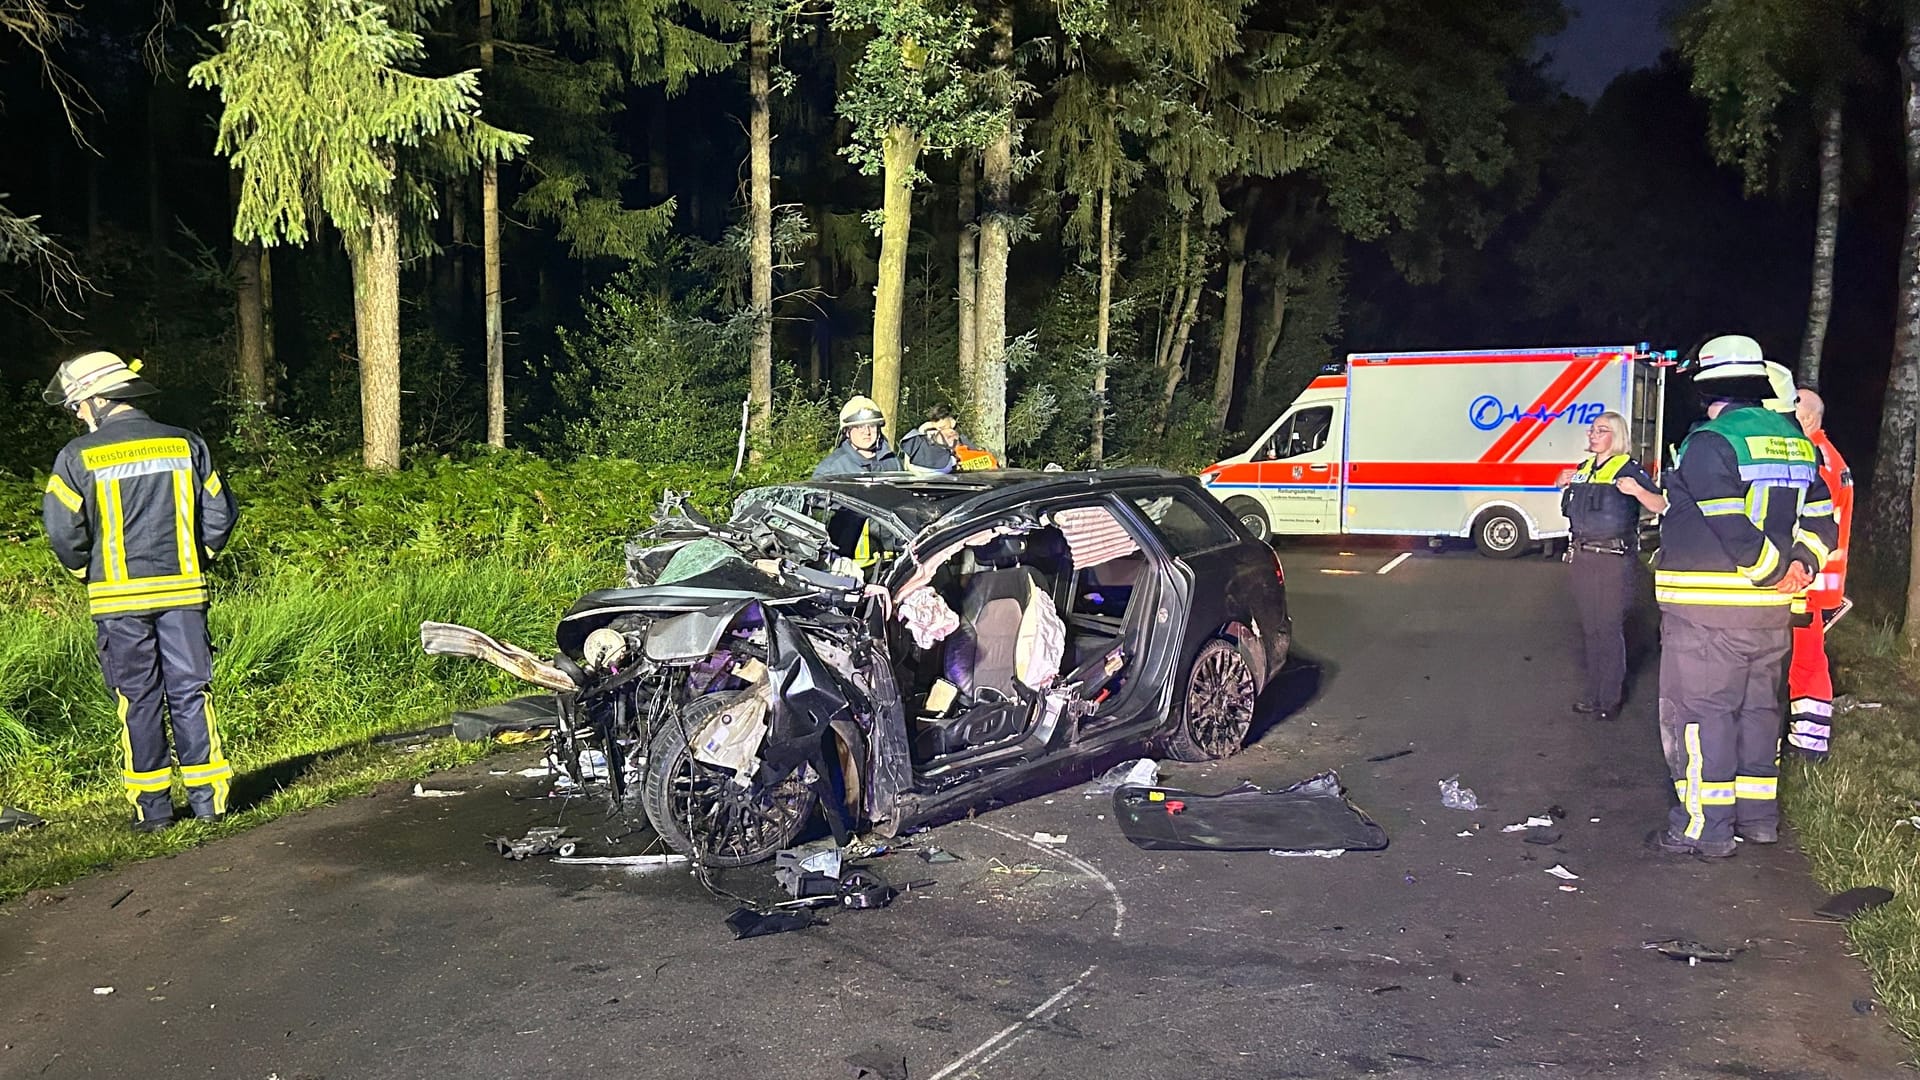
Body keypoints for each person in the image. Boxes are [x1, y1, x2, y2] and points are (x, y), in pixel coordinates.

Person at [1648, 336, 1834, 857]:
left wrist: (1773, 571)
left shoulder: (1710, 441)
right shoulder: (1796, 441)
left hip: (1708, 615)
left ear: (1707, 387)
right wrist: (1802, 567)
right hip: (1770, 619)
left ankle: (1703, 830)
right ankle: (1758, 818)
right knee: (1758, 714)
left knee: (1700, 714)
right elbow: (1823, 519)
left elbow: (1729, 522)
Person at [40, 351, 238, 832]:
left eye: (78, 406)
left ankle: (154, 812)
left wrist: (85, 572)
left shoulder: (76, 457)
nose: (78, 415)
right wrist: (199, 557)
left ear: (99, 398)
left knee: (138, 699)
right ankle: (209, 803)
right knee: (192, 692)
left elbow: (64, 533)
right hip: (184, 593)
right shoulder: (185, 444)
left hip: (118, 601)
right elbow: (220, 515)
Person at [1559, 411, 1664, 721]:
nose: (1593, 434)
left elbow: (1661, 505)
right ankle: (1594, 695)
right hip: (1583, 556)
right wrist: (1561, 484)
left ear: (1616, 436)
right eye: (1592, 429)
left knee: (1607, 628)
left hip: (1613, 559)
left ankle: (1610, 699)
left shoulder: (1629, 470)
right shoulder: (1583, 470)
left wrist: (1638, 491)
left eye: (1601, 430)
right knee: (1591, 630)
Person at [1784, 388, 1852, 760]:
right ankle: (1807, 738)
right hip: (1818, 579)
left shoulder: (1817, 461)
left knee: (1806, 663)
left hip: (1808, 580)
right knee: (1806, 659)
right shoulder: (1828, 455)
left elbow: (1808, 519)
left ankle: (1809, 744)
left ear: (1807, 417)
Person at [813, 395, 906, 479]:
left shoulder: (893, 462)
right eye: (859, 427)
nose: (867, 432)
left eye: (872, 425)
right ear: (847, 432)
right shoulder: (831, 469)